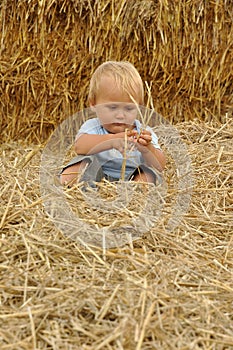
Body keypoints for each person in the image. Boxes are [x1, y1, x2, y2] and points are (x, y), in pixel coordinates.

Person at [60, 61, 166, 186]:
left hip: (132, 178)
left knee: (149, 174)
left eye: (129, 109)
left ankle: (137, 196)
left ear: (139, 108)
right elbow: (80, 147)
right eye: (112, 107)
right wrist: (112, 140)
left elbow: (160, 165)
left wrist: (148, 149)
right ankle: (70, 189)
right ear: (93, 104)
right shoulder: (94, 126)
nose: (120, 115)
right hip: (95, 178)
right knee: (79, 165)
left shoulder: (143, 131)